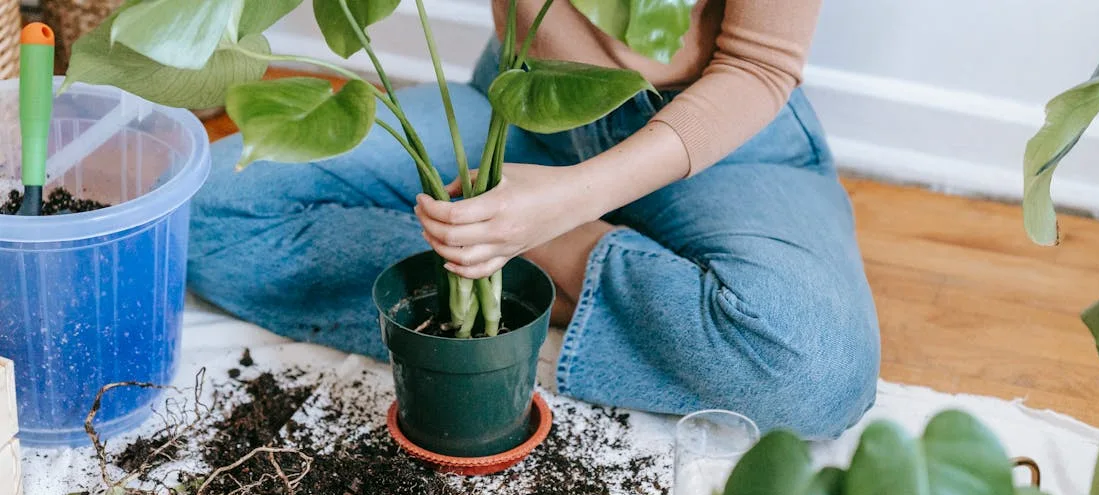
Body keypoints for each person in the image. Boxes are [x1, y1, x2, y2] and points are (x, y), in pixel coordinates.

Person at [189, 0, 881, 438]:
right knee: (206, 206)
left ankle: (535, 259)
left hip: (711, 132)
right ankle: (550, 280)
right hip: (524, 105)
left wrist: (560, 214)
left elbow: (758, 66)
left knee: (817, 372)